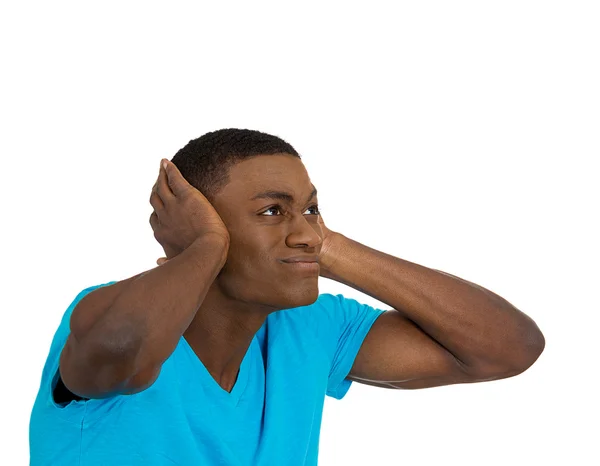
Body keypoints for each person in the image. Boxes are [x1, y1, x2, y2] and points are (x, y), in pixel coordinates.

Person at [29, 128, 545, 465]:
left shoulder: (311, 325)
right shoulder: (107, 312)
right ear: (196, 221)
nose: (305, 231)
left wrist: (327, 246)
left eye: (312, 208)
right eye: (272, 211)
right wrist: (206, 247)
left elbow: (508, 347)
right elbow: (124, 349)